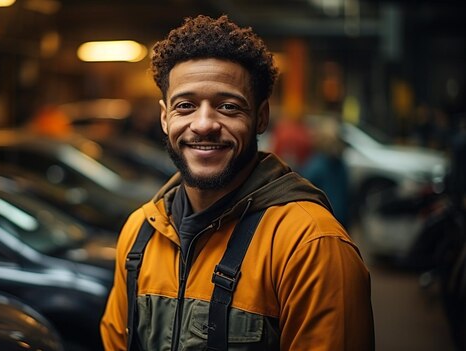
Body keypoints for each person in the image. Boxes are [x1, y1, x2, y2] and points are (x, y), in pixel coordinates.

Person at [100, 14, 374, 351]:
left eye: (228, 107)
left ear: (260, 117)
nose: (203, 124)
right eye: (185, 106)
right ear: (164, 117)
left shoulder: (311, 245)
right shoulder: (139, 233)